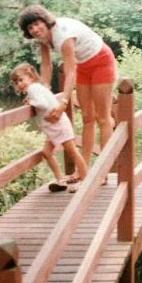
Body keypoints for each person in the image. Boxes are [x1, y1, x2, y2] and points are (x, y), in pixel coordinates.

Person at [17, 4, 116, 172]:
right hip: (83, 65)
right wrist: (39, 94)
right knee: (87, 118)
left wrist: (63, 102)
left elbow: (70, 72)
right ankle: (83, 170)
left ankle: (103, 171)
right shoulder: (43, 38)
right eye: (30, 27)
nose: (35, 29)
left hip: (101, 60)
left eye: (37, 23)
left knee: (103, 118)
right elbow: (46, 66)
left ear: (45, 21)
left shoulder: (63, 35)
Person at [10, 62, 88, 192]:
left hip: (58, 125)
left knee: (72, 152)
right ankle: (60, 180)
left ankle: (85, 180)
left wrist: (31, 102)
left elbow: (43, 104)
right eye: (16, 82)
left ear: (31, 76)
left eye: (21, 80)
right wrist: (31, 100)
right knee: (46, 153)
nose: (19, 84)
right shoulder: (36, 87)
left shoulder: (32, 89)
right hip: (52, 126)